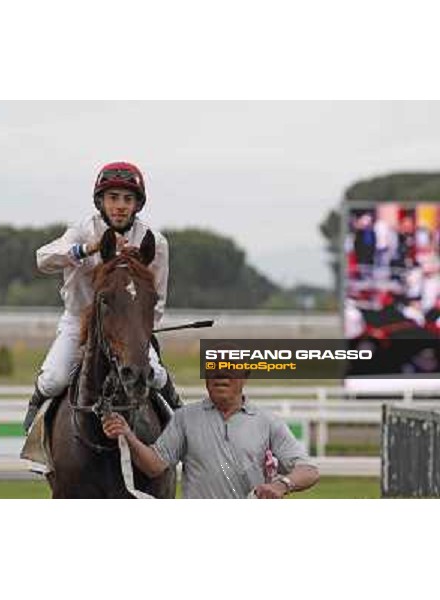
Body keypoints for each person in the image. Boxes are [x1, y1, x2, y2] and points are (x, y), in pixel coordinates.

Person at [23, 161, 181, 433]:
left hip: (127, 327)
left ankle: (179, 421)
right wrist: (88, 248)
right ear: (101, 201)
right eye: (113, 198)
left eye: (128, 199)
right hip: (78, 322)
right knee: (53, 379)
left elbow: (158, 300)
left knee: (155, 375)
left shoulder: (155, 241)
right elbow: (42, 259)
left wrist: (140, 332)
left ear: (137, 205)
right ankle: (35, 426)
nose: (120, 205)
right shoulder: (82, 230)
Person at [102, 369, 320, 499]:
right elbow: (154, 466)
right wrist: (128, 435)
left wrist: (281, 485)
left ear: (244, 376)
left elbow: (309, 471)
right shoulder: (184, 418)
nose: (220, 376)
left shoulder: (267, 421)